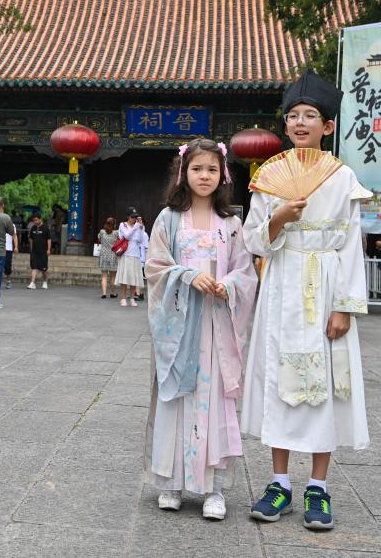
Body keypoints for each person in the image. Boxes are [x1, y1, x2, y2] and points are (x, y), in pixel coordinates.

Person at [242, 69, 370, 532]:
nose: (300, 122)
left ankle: (318, 485)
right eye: (293, 115)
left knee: (325, 385)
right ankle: (279, 481)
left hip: (326, 283)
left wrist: (344, 306)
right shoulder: (269, 175)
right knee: (280, 378)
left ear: (327, 126)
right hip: (281, 285)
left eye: (310, 115)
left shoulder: (343, 177)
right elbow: (253, 240)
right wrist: (278, 216)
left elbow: (350, 245)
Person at [143, 138, 257, 520]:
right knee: (176, 398)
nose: (204, 176)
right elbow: (155, 266)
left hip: (216, 326)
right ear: (183, 173)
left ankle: (214, 488)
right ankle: (170, 482)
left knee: (215, 401)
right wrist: (187, 275)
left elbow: (245, 272)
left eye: (211, 169)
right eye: (196, 169)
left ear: (223, 175)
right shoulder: (168, 219)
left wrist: (230, 285)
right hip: (180, 327)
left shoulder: (232, 224)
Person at [115, 207, 147, 307]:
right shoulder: (122, 225)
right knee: (124, 278)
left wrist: (141, 228)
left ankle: (132, 298)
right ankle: (123, 298)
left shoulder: (138, 226)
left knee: (134, 278)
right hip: (126, 254)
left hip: (135, 255)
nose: (134, 219)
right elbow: (127, 236)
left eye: (135, 217)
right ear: (128, 216)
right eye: (132, 217)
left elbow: (140, 240)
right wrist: (135, 227)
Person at [26, 213, 51, 289]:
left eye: (36, 220)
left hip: (43, 251)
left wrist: (48, 249)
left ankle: (45, 281)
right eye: (34, 220)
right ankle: (32, 283)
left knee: (43, 269)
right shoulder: (33, 228)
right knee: (34, 267)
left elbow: (49, 239)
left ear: (40, 219)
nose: (35, 222)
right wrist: (31, 249)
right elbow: (31, 239)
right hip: (34, 251)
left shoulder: (45, 228)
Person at [96, 217, 119, 298]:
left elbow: (99, 238)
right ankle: (113, 293)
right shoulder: (116, 233)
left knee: (104, 276)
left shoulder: (102, 232)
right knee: (113, 276)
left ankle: (104, 293)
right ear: (114, 225)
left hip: (103, 255)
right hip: (113, 255)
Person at [135, 216, 150, 301]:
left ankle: (139, 293)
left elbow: (147, 247)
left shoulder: (144, 234)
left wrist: (147, 260)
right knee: (136, 276)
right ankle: (136, 292)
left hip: (141, 258)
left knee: (139, 276)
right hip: (136, 256)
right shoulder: (136, 233)